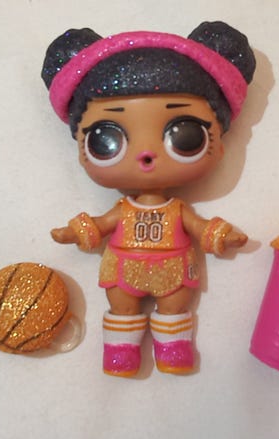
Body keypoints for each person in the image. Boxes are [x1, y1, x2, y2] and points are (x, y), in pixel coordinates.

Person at [41, 21, 256, 377]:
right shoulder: (123, 209)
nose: (145, 154)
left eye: (185, 135)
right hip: (123, 269)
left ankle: (175, 351)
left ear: (219, 141)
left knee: (174, 309)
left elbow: (199, 226)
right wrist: (76, 231)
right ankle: (119, 355)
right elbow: (102, 224)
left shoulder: (177, 210)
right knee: (121, 310)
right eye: (106, 138)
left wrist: (220, 235)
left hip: (173, 269)